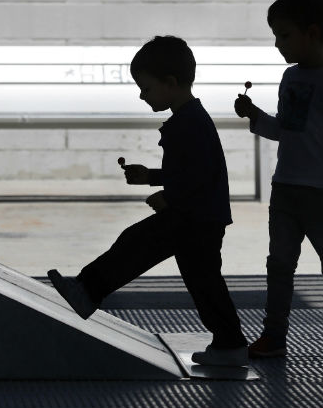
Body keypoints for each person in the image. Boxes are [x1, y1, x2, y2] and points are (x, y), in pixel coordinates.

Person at [48, 35, 248, 367]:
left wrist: (170, 195)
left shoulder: (189, 124)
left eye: (146, 88)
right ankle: (229, 343)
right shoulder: (190, 119)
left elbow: (198, 175)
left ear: (170, 83)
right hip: (198, 218)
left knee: (144, 247)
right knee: (202, 281)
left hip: (194, 219)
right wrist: (152, 176)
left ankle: (86, 291)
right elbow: (188, 170)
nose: (142, 95)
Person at [234, 0, 323, 360]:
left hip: (322, 193)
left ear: (312, 32)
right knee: (279, 265)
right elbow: (286, 129)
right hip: (286, 190)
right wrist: (255, 116)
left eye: (284, 34)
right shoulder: (290, 78)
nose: (278, 44)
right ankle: (274, 336)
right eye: (276, 35)